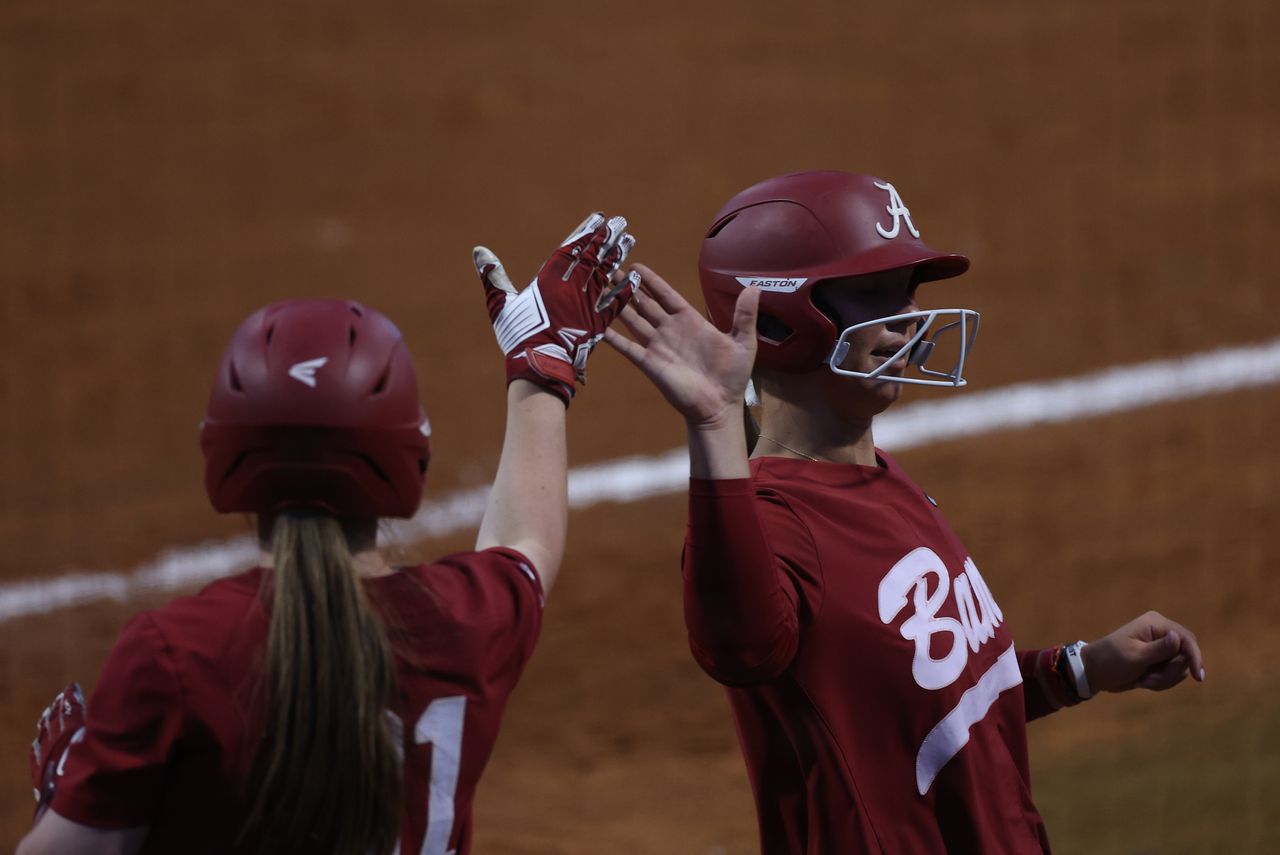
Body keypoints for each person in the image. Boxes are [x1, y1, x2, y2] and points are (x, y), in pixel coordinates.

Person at [604, 170, 1206, 853]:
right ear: (782, 318)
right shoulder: (775, 520)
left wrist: (1078, 669)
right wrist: (713, 424)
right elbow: (737, 645)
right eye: (870, 293)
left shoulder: (882, 478)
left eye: (906, 289)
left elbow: (942, 708)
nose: (907, 316)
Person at [19, 212, 639, 855]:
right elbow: (527, 544)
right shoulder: (469, 625)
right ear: (406, 455)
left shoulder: (173, 657)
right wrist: (542, 368)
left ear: (225, 451)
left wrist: (64, 804)